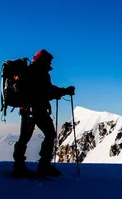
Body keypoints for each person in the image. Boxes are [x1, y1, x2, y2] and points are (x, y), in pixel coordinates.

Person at [12, 49, 75, 177]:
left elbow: (45, 91)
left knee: (26, 137)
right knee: (47, 134)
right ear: (44, 60)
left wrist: (61, 92)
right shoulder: (37, 72)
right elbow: (46, 91)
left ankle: (20, 166)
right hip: (34, 110)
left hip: (30, 111)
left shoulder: (35, 72)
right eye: (49, 61)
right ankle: (42, 166)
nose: (50, 63)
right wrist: (64, 91)